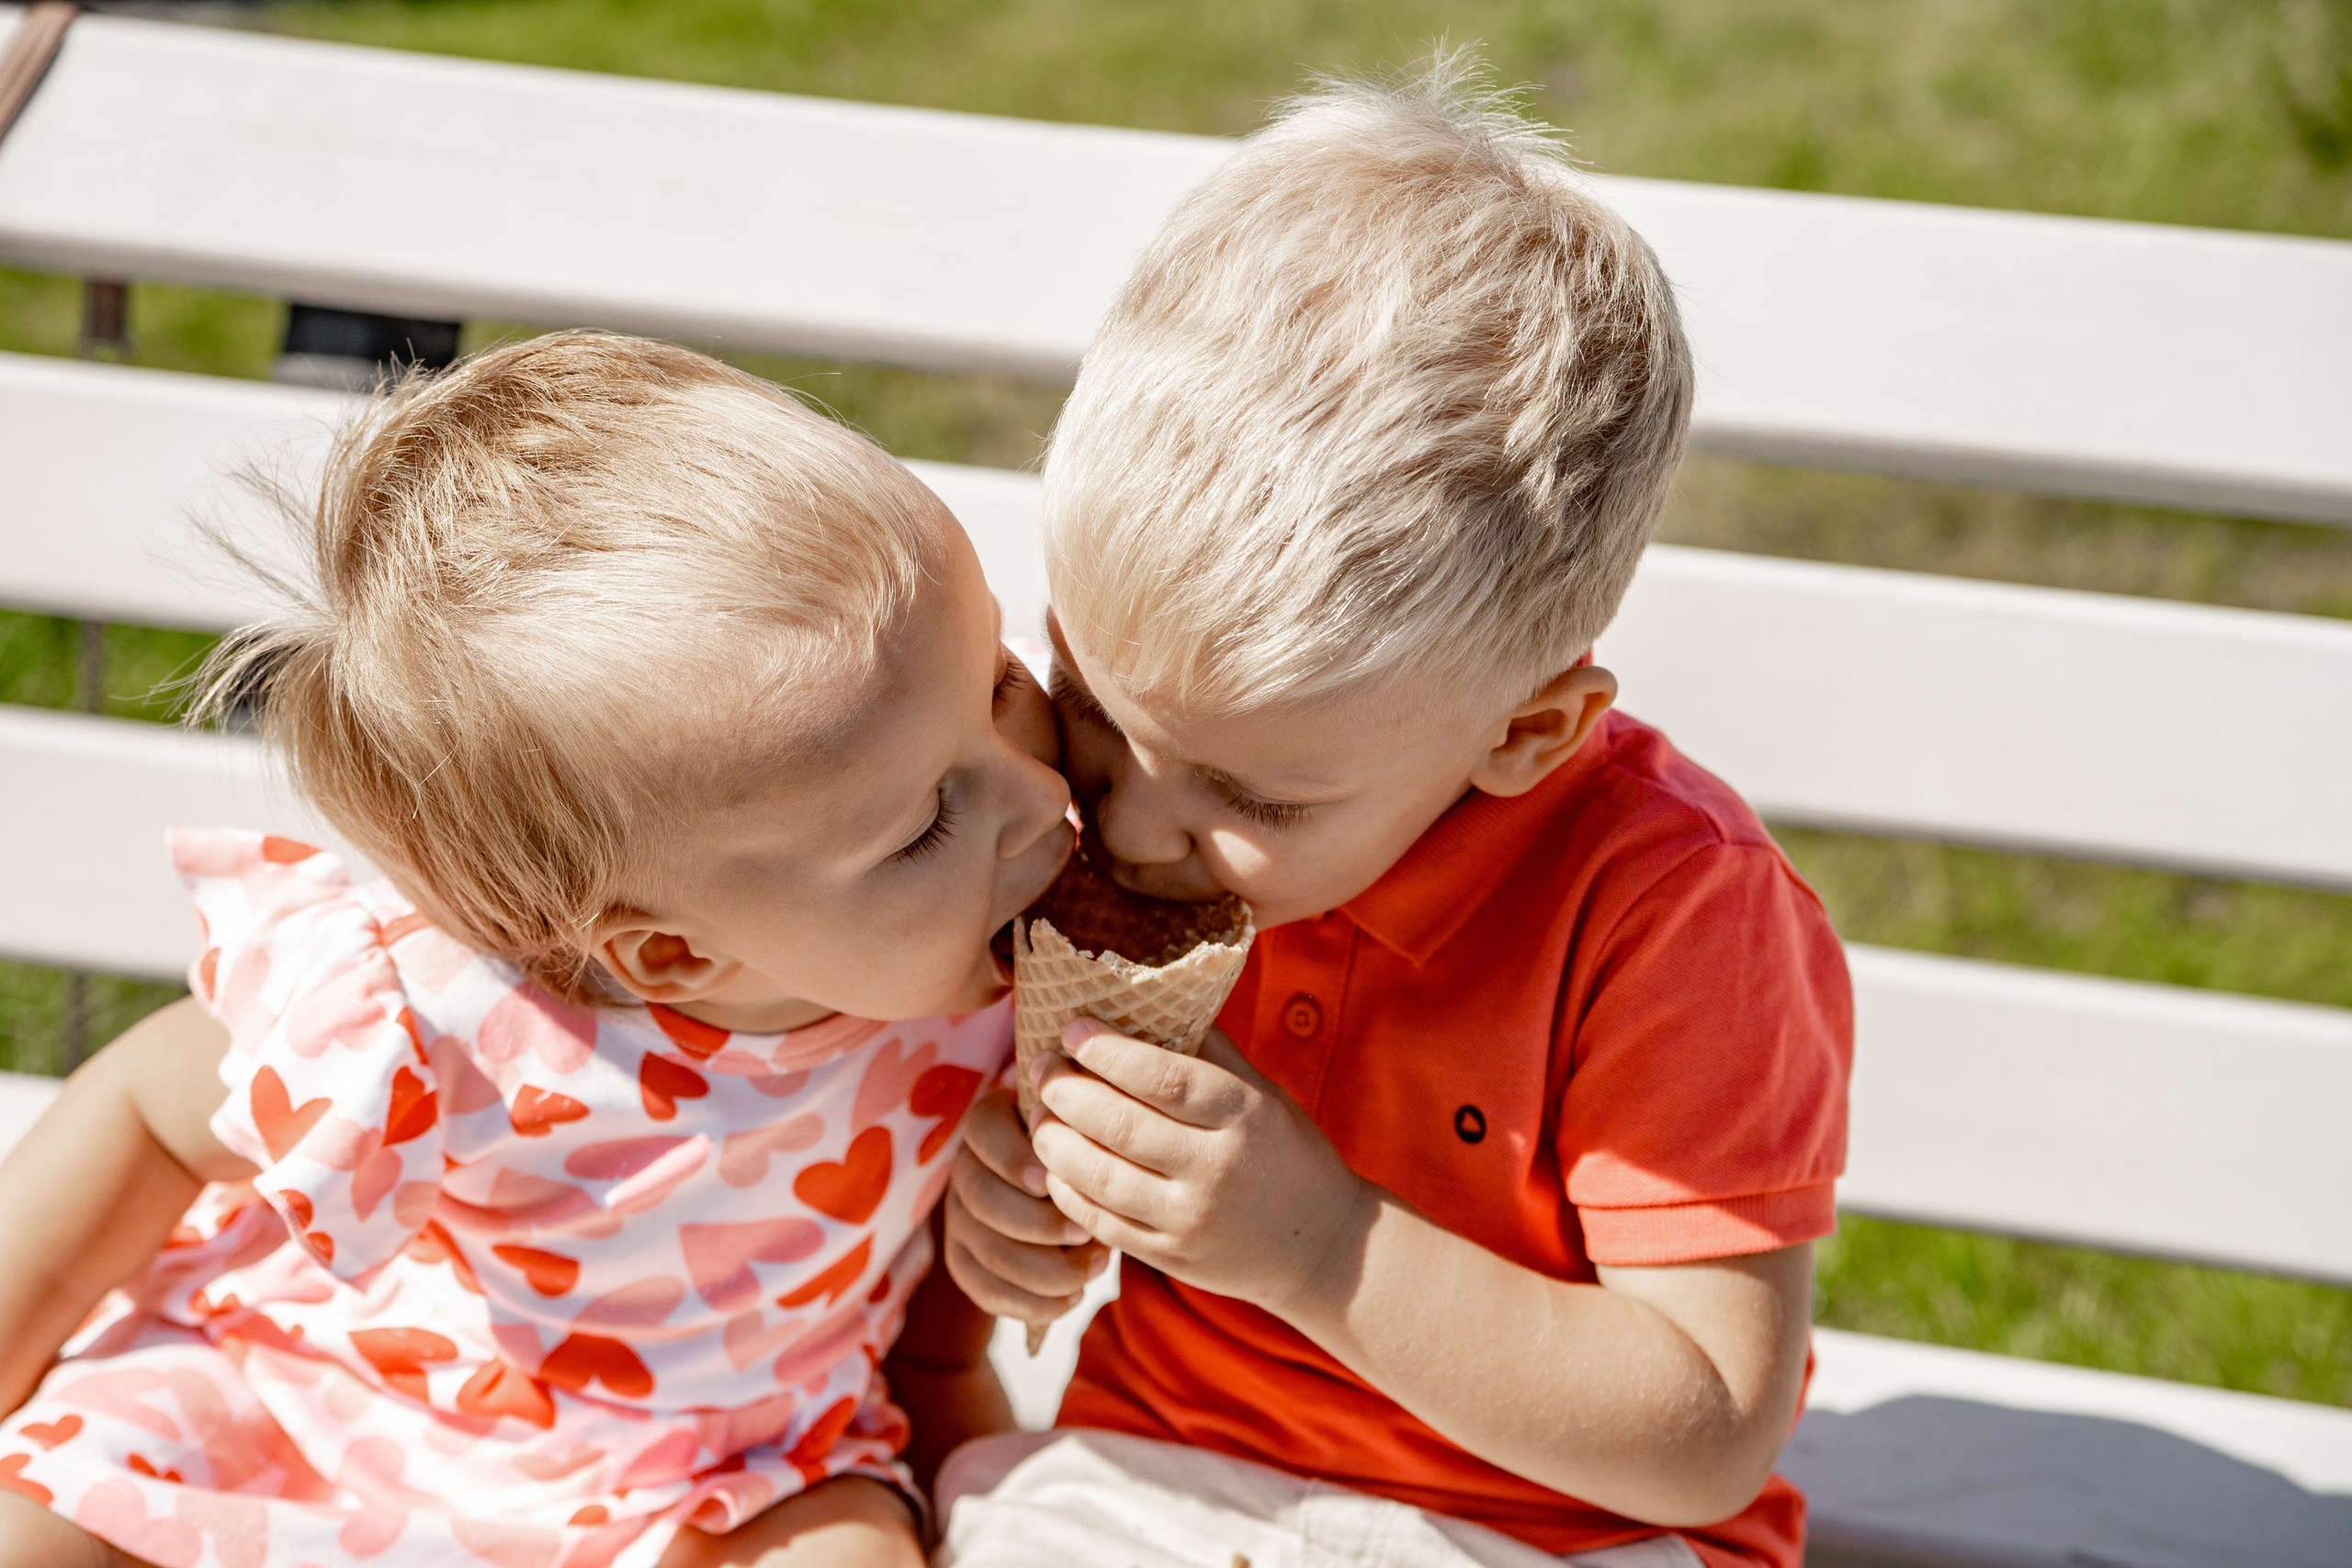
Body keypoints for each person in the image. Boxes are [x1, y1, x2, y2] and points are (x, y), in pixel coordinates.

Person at [939, 59, 1852, 1568]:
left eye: (1253, 795)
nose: (1135, 828)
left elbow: (1706, 1434)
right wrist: (1019, 1210)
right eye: (1093, 707)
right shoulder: (1087, 812)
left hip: (1552, 1538)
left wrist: (1321, 1244)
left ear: (1523, 733)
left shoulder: (1677, 913)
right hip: (1154, 1480)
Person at [0, 333, 1074, 1568]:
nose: (1041, 797)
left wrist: (960, 1367)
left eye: (1000, 680)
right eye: (927, 823)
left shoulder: (1000, 972)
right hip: (340, 1404)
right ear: (671, 957)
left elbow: (938, 1289)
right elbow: (146, 1113)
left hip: (726, 1467)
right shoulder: (443, 1016)